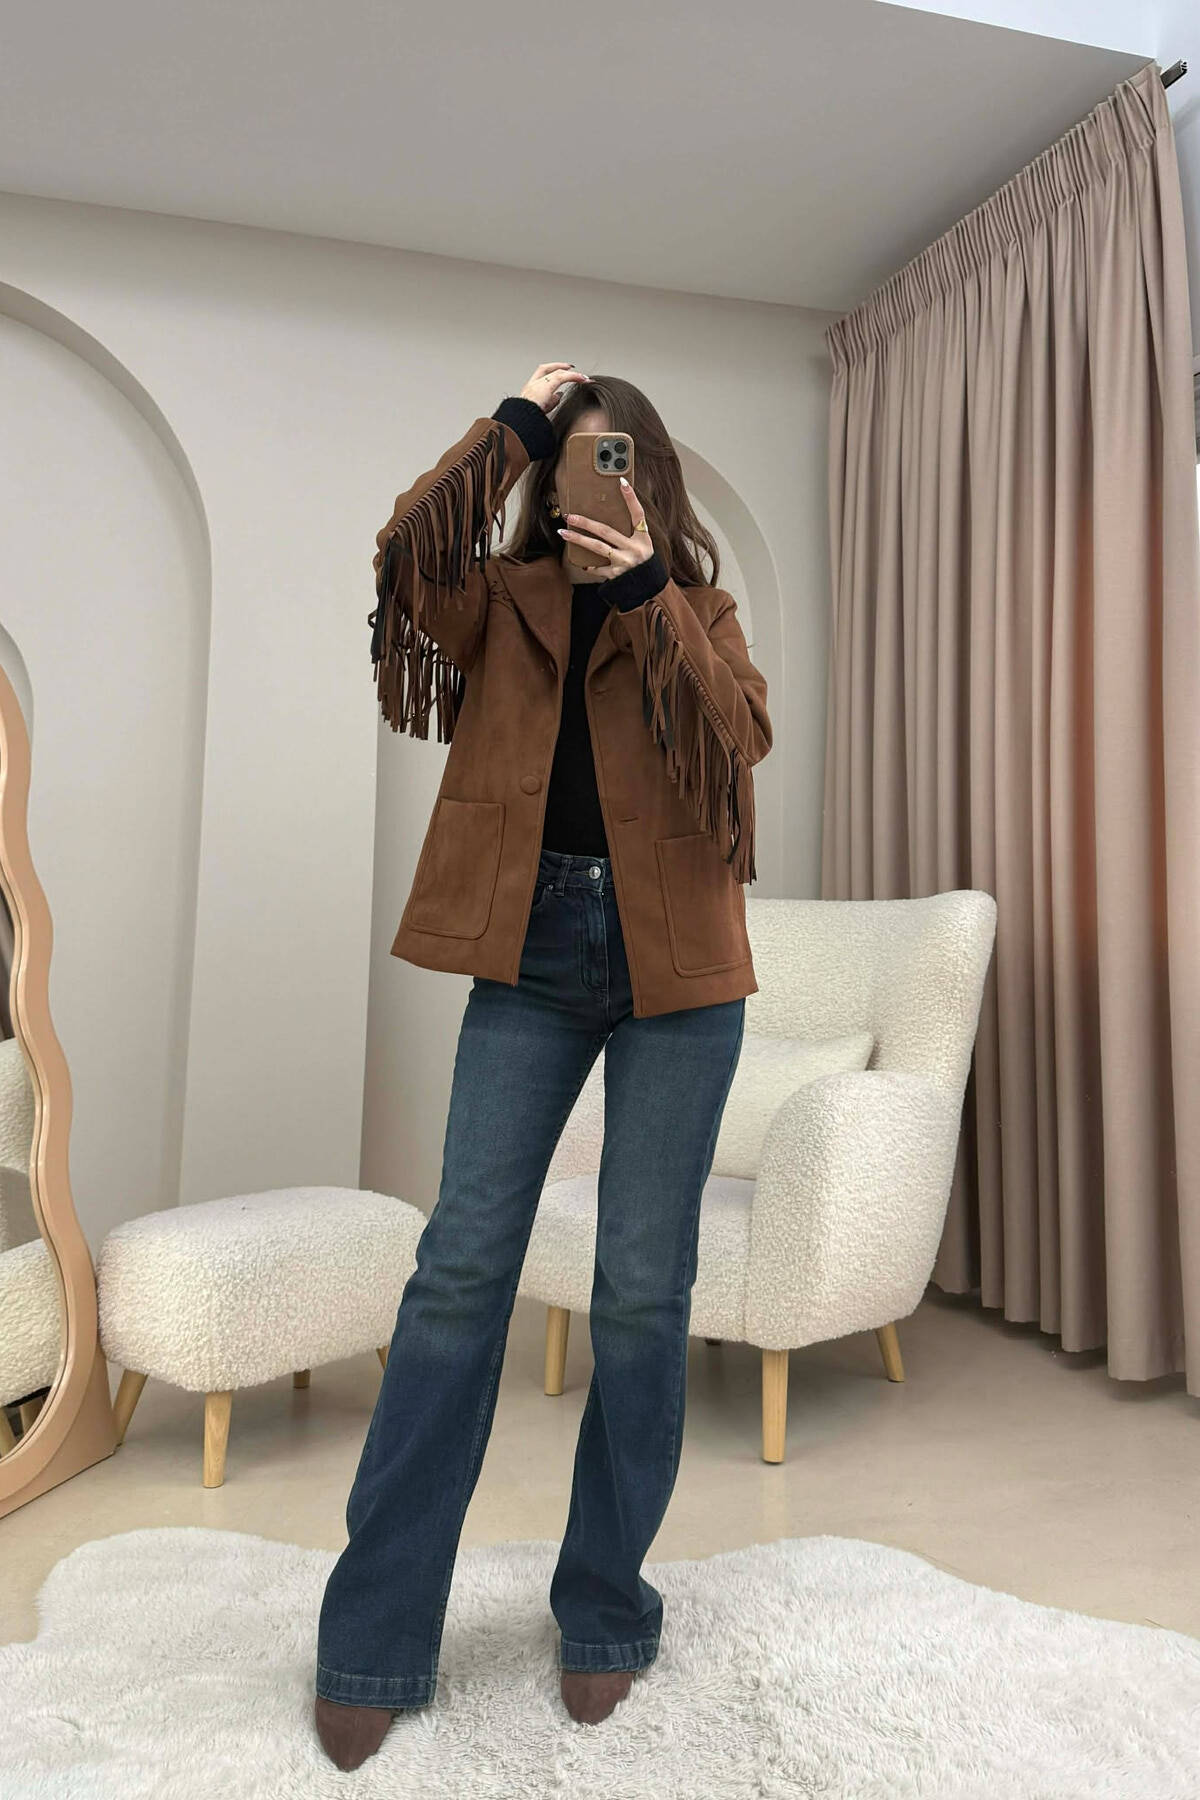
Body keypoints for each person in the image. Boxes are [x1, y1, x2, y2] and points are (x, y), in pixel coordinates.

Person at [314, 363, 772, 1770]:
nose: (589, 477)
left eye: (610, 457)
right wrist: (509, 422)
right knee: (460, 1272)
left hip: (679, 971)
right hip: (532, 951)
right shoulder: (496, 600)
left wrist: (646, 595)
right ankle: (376, 1634)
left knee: (641, 1294)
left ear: (650, 479)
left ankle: (605, 1612)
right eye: (568, 456)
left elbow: (741, 736)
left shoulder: (694, 610)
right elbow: (404, 562)